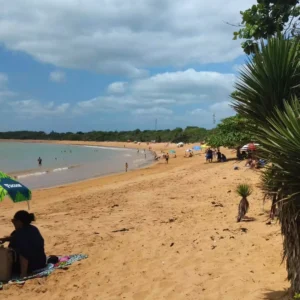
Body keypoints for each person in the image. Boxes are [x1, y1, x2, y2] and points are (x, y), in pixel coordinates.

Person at [0, 211, 46, 278]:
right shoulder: (33, 229)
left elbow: (24, 254)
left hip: (31, 266)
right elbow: (17, 237)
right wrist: (5, 239)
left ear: (19, 222)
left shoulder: (20, 234)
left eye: (14, 220)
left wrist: (23, 274)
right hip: (41, 262)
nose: (13, 223)